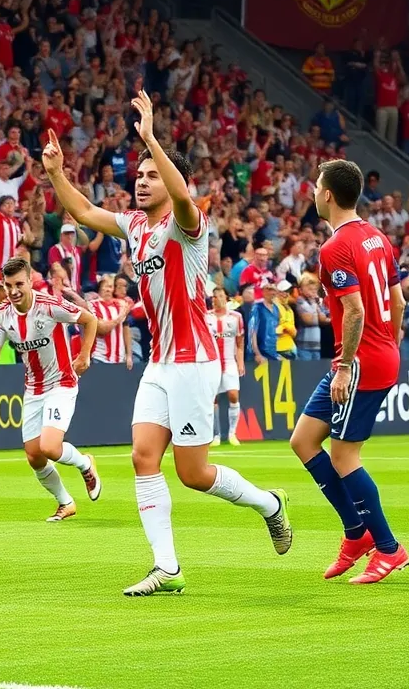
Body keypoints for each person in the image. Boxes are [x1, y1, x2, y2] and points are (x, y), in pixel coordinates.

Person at [41, 91, 290, 598]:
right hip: (159, 362)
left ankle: (270, 505)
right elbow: (86, 211)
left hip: (196, 360)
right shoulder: (133, 226)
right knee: (142, 457)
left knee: (194, 474)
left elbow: (181, 195)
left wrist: (152, 137)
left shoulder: (187, 222)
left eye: (151, 174)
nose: (141, 180)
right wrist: (55, 173)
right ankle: (167, 568)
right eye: (139, 175)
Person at [288, 159, 409, 585]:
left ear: (327, 194)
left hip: (356, 363)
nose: (313, 191)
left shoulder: (334, 247)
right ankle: (356, 533)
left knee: (343, 456)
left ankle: (390, 548)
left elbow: (355, 309)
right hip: (375, 355)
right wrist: (389, 346)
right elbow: (399, 304)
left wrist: (346, 365)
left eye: (316, 185)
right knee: (303, 440)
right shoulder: (377, 237)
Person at [0, 257, 102, 520]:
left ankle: (86, 464)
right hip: (33, 388)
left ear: (30, 280)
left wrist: (84, 355)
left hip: (61, 383)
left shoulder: (49, 305)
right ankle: (65, 502)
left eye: (19, 284)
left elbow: (89, 320)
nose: (13, 291)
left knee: (50, 446)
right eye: (8, 285)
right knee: (34, 456)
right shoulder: (2, 314)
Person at [207, 286, 246, 447]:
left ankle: (232, 433)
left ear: (227, 298)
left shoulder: (236, 317)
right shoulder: (206, 317)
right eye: (214, 297)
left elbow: (239, 342)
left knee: (233, 395)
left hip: (230, 361)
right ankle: (216, 435)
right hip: (212, 363)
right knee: (213, 399)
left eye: (220, 296)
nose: (217, 299)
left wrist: (241, 361)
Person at [88, 276, 131, 370]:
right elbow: (102, 330)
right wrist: (119, 318)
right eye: (105, 286)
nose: (108, 289)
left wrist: (129, 355)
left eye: (110, 286)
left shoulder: (120, 305)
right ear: (99, 288)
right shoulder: (93, 305)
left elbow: (126, 329)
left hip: (120, 360)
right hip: (100, 358)